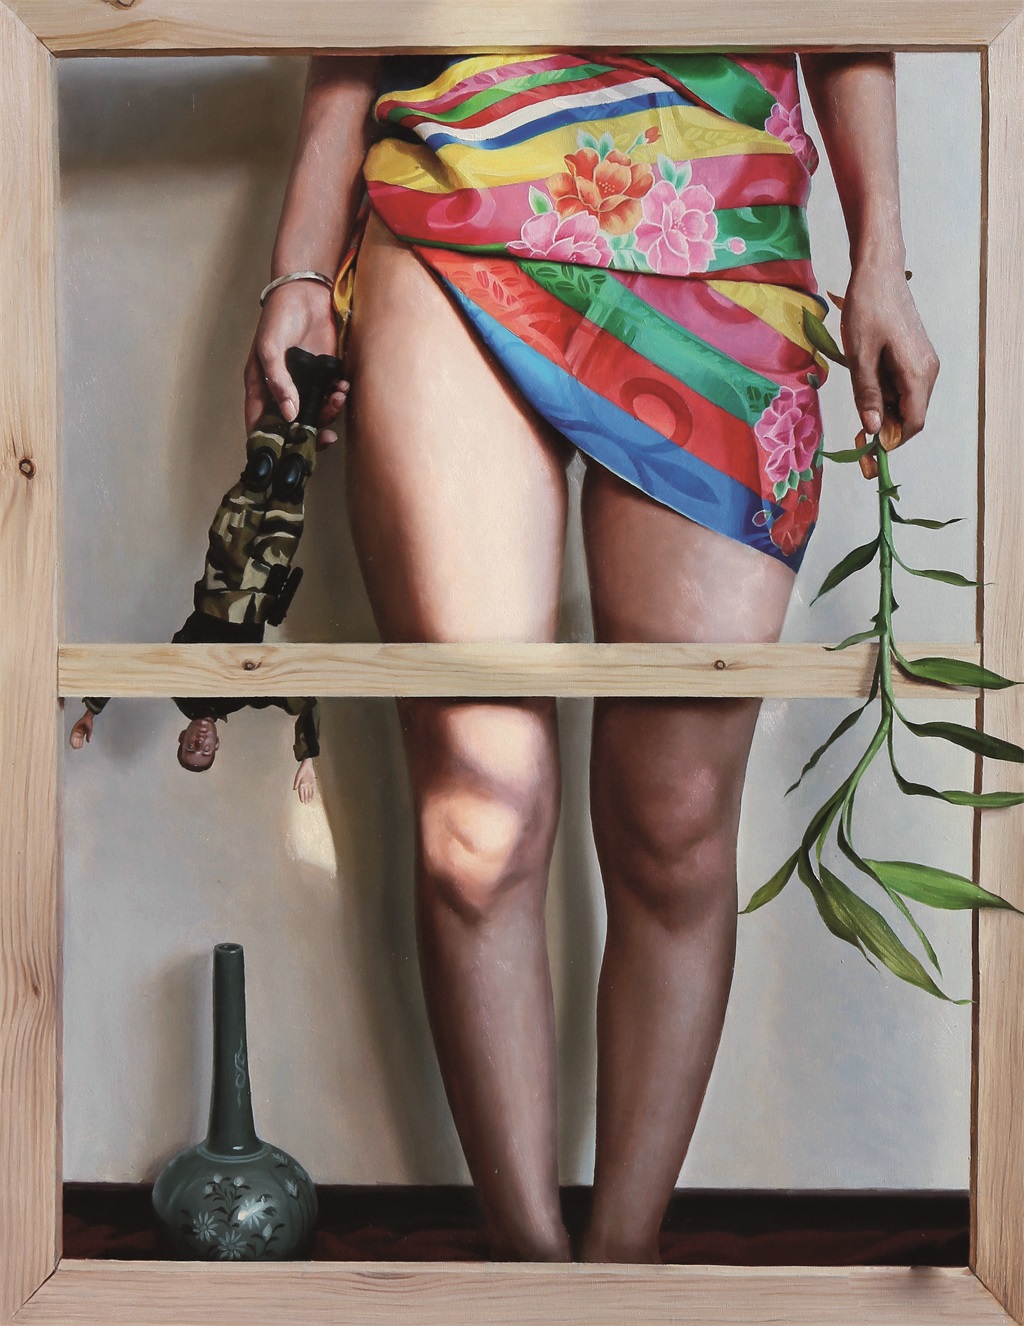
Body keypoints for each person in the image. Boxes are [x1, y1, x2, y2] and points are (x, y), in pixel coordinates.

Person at [247, 51, 939, 1262]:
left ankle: (623, 1272)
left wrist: (879, 252)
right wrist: (302, 261)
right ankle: (531, 1277)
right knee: (477, 817)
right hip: (455, 183)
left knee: (676, 817)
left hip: (720, 203)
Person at [70, 346, 338, 804]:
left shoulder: (178, 685)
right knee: (292, 481)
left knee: (261, 472)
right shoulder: (243, 694)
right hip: (266, 578)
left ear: (181, 738)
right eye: (206, 751)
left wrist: (90, 712)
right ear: (217, 745)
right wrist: (307, 758)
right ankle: (313, 395)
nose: (200, 743)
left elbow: (130, 670)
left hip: (224, 567)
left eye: (190, 748)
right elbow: (302, 700)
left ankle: (290, 383)